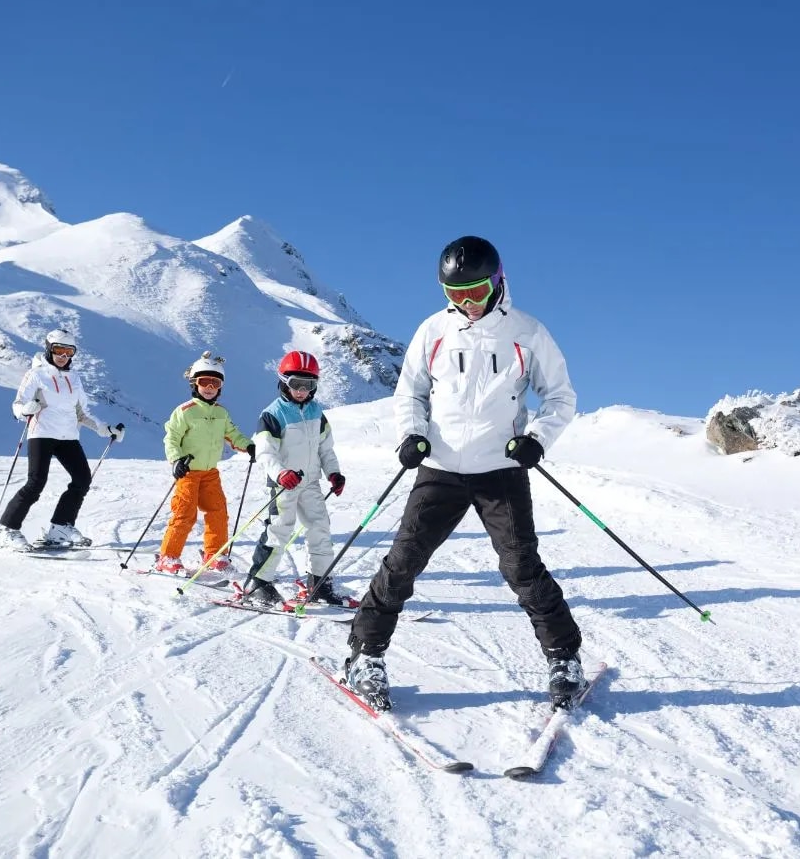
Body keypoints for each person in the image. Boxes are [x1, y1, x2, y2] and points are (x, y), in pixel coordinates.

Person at [343, 236, 584, 710]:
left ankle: (564, 655)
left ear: (496, 282)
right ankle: (364, 654)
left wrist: (536, 439)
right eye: (455, 295)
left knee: (521, 567)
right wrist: (412, 434)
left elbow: (560, 397)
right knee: (403, 562)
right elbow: (409, 391)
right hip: (440, 467)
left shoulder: (528, 333)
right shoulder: (433, 331)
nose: (467, 304)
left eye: (474, 292)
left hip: (500, 469)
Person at [0, 328, 125, 550]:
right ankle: (7, 529)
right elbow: (17, 405)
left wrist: (105, 429)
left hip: (68, 436)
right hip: (42, 434)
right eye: (58, 350)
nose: (63, 356)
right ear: (49, 349)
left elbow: (82, 413)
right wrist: (26, 409)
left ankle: (61, 526)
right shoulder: (36, 375)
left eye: (69, 351)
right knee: (36, 483)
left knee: (82, 480)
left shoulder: (74, 378)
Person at [242, 350, 349, 607]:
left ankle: (319, 583)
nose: (301, 391)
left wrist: (333, 473)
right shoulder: (272, 414)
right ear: (283, 382)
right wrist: (281, 473)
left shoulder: (316, 412)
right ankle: (258, 582)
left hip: (311, 482)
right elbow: (266, 451)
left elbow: (325, 448)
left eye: (308, 385)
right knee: (279, 530)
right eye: (296, 384)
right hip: (285, 485)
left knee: (320, 528)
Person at [155, 351, 255, 574]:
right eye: (204, 382)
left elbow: (232, 434)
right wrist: (176, 460)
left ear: (220, 387)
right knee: (185, 514)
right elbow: (171, 438)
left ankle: (214, 554)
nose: (209, 387)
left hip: (210, 473)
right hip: (188, 472)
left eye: (215, 382)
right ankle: (168, 557)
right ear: (194, 383)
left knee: (218, 512)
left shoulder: (221, 413)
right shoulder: (185, 412)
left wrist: (248, 445)